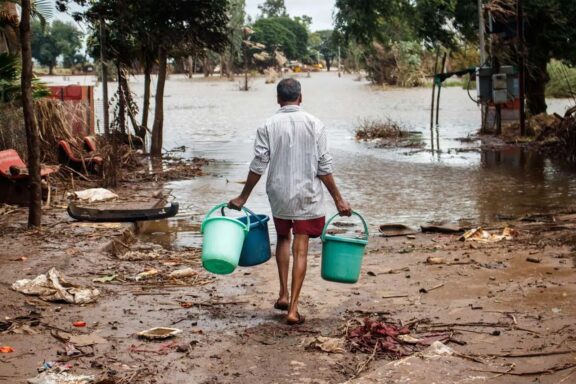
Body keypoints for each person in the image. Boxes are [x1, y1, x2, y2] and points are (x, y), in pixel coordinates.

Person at [228, 78, 351, 325]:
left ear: (278, 99)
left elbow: (259, 164)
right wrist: (338, 199)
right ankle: (293, 309)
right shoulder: (315, 124)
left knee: (283, 238)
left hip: (279, 193)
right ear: (300, 98)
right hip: (307, 194)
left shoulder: (268, 125)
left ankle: (283, 294)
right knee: (301, 247)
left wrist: (243, 196)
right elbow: (324, 166)